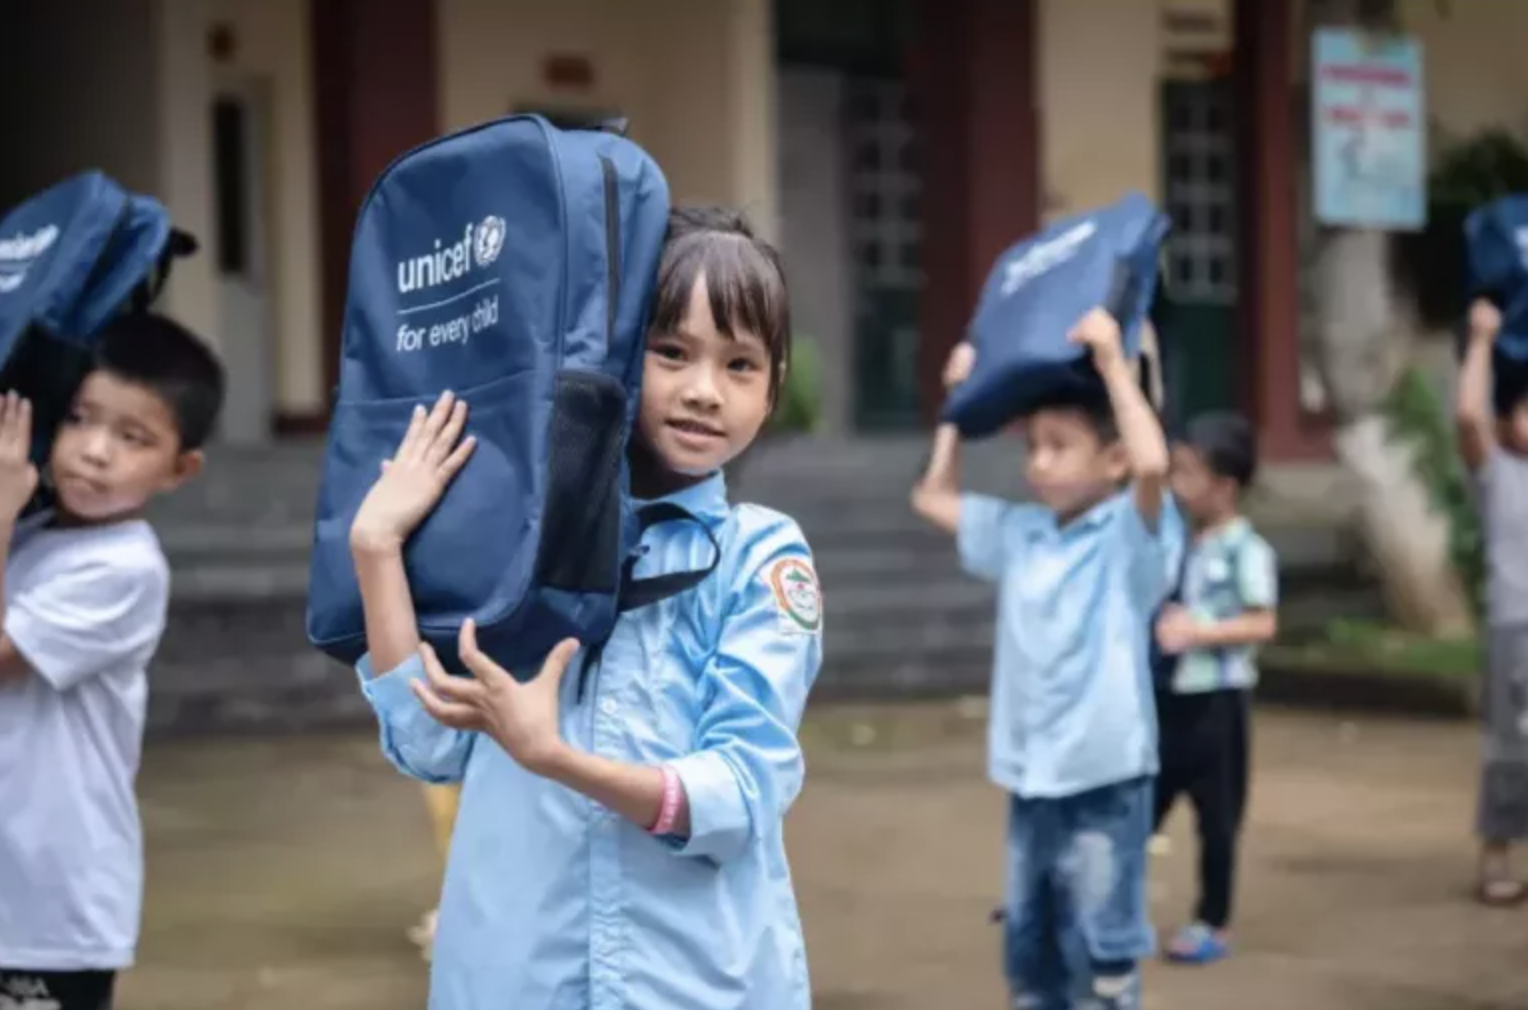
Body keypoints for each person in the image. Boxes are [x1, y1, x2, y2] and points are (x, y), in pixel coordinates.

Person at [347, 206, 823, 1009]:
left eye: (740, 365)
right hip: (515, 977)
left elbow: (741, 795)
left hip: (695, 984)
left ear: (772, 389)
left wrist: (557, 757)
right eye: (672, 352)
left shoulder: (761, 557)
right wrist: (376, 549)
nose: (705, 391)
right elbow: (428, 739)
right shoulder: (518, 538)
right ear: (616, 358)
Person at [911, 313, 1181, 1010]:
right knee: (1031, 955)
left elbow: (1153, 463)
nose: (1036, 462)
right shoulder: (1023, 531)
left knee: (1101, 955)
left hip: (1104, 777)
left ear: (1111, 460)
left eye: (1059, 446)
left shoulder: (1130, 538)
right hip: (1032, 777)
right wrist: (957, 407)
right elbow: (932, 497)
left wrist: (1116, 365)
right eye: (1031, 445)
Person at [0, 316, 226, 1010]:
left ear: (179, 468)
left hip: (48, 906)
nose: (95, 452)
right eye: (80, 419)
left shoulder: (123, 567)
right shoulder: (31, 534)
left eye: (133, 438)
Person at [1151, 412, 1278, 964]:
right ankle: (1113, 910)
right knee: (1140, 807)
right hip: (1168, 698)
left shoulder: (1247, 551)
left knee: (1218, 820)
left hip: (1219, 704)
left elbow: (1263, 622)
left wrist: (1198, 632)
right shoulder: (1177, 540)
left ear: (1224, 487)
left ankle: (1213, 921)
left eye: (1185, 474)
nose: (1175, 485)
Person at [1455, 296, 1528, 907]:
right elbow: (1466, 417)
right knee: (1511, 745)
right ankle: (1497, 853)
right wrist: (1481, 340)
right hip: (1517, 627)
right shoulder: (1499, 473)